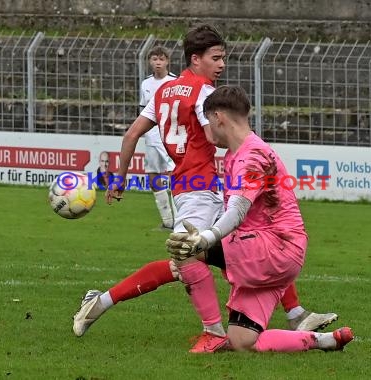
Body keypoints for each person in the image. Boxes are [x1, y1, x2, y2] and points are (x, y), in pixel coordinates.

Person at [73, 24, 337, 353]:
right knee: (189, 258)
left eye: (223, 58)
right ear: (196, 60)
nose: (222, 65)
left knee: (248, 243)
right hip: (201, 187)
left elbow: (130, 136)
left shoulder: (162, 91)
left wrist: (120, 179)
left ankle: (293, 315)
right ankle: (205, 328)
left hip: (187, 185)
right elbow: (215, 132)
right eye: (216, 58)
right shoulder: (202, 93)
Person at [166, 85, 354, 352]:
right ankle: (326, 341)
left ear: (219, 117)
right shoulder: (238, 154)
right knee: (243, 341)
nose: (208, 131)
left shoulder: (251, 156)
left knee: (184, 248)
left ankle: (211, 331)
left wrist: (206, 240)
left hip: (273, 247)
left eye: (209, 122)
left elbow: (238, 210)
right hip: (276, 252)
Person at [140, 46, 177, 229]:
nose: (158, 63)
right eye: (154, 59)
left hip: (170, 136)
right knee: (153, 176)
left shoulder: (175, 82)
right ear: (150, 61)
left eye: (161, 59)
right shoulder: (145, 84)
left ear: (167, 61)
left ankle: (181, 219)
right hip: (151, 137)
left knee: (175, 174)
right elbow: (143, 110)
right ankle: (167, 221)